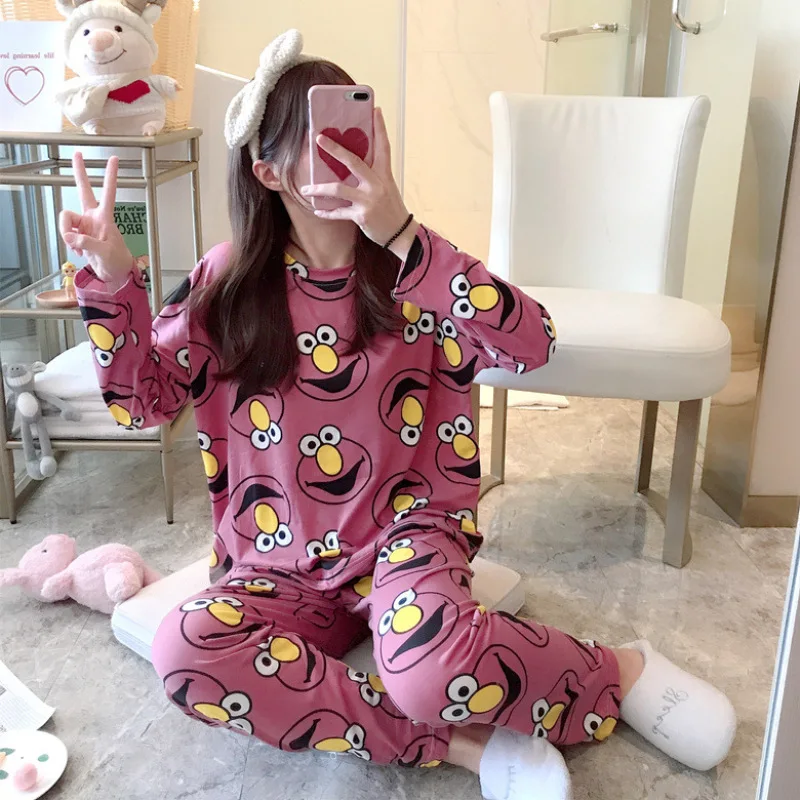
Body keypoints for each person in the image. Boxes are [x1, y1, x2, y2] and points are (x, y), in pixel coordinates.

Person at [61, 29, 736, 800]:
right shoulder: (230, 282)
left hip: (407, 540)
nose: (342, 148)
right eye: (313, 134)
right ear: (267, 170)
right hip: (278, 567)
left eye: (353, 124)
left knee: (429, 669)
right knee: (185, 648)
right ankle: (460, 745)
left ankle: (623, 669)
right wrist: (111, 280)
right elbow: (141, 403)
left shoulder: (417, 267)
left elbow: (533, 344)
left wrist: (404, 234)